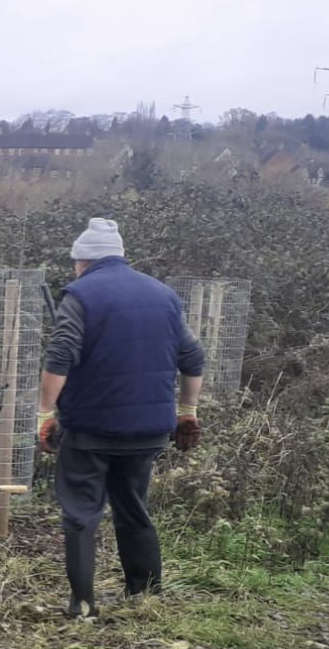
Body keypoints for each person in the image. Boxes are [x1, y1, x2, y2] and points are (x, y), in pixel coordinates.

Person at [37, 218, 205, 620]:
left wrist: (45, 412)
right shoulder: (163, 294)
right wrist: (187, 411)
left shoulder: (80, 295)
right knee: (133, 505)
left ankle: (82, 604)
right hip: (148, 430)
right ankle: (145, 595)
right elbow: (193, 356)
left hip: (90, 429)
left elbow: (60, 356)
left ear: (83, 261)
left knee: (81, 513)